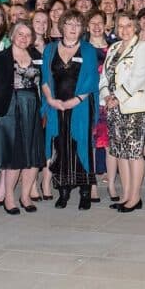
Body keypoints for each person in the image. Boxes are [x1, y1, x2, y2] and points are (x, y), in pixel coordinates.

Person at [43, 11, 101, 210]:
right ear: (62, 26)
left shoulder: (88, 49)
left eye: (78, 24)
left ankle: (85, 191)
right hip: (56, 106)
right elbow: (44, 79)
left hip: (81, 106)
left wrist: (75, 101)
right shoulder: (50, 49)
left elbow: (92, 79)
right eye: (69, 24)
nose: (73, 28)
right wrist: (51, 100)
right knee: (61, 146)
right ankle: (64, 190)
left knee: (81, 146)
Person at [0, 22, 47, 213]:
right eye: (19, 34)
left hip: (32, 106)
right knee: (13, 155)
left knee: (32, 154)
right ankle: (9, 198)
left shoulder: (37, 57)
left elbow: (44, 83)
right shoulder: (0, 58)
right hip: (10, 108)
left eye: (27, 35)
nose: (23, 38)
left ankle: (25, 196)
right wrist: (0, 106)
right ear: (12, 36)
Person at [98, 14, 145, 212]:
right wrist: (106, 96)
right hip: (113, 108)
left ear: (136, 27)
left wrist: (117, 97)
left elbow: (139, 77)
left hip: (133, 107)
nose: (124, 29)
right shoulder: (113, 48)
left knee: (134, 152)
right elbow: (103, 76)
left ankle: (135, 197)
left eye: (128, 26)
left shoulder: (142, 47)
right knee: (120, 152)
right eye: (120, 26)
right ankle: (126, 194)